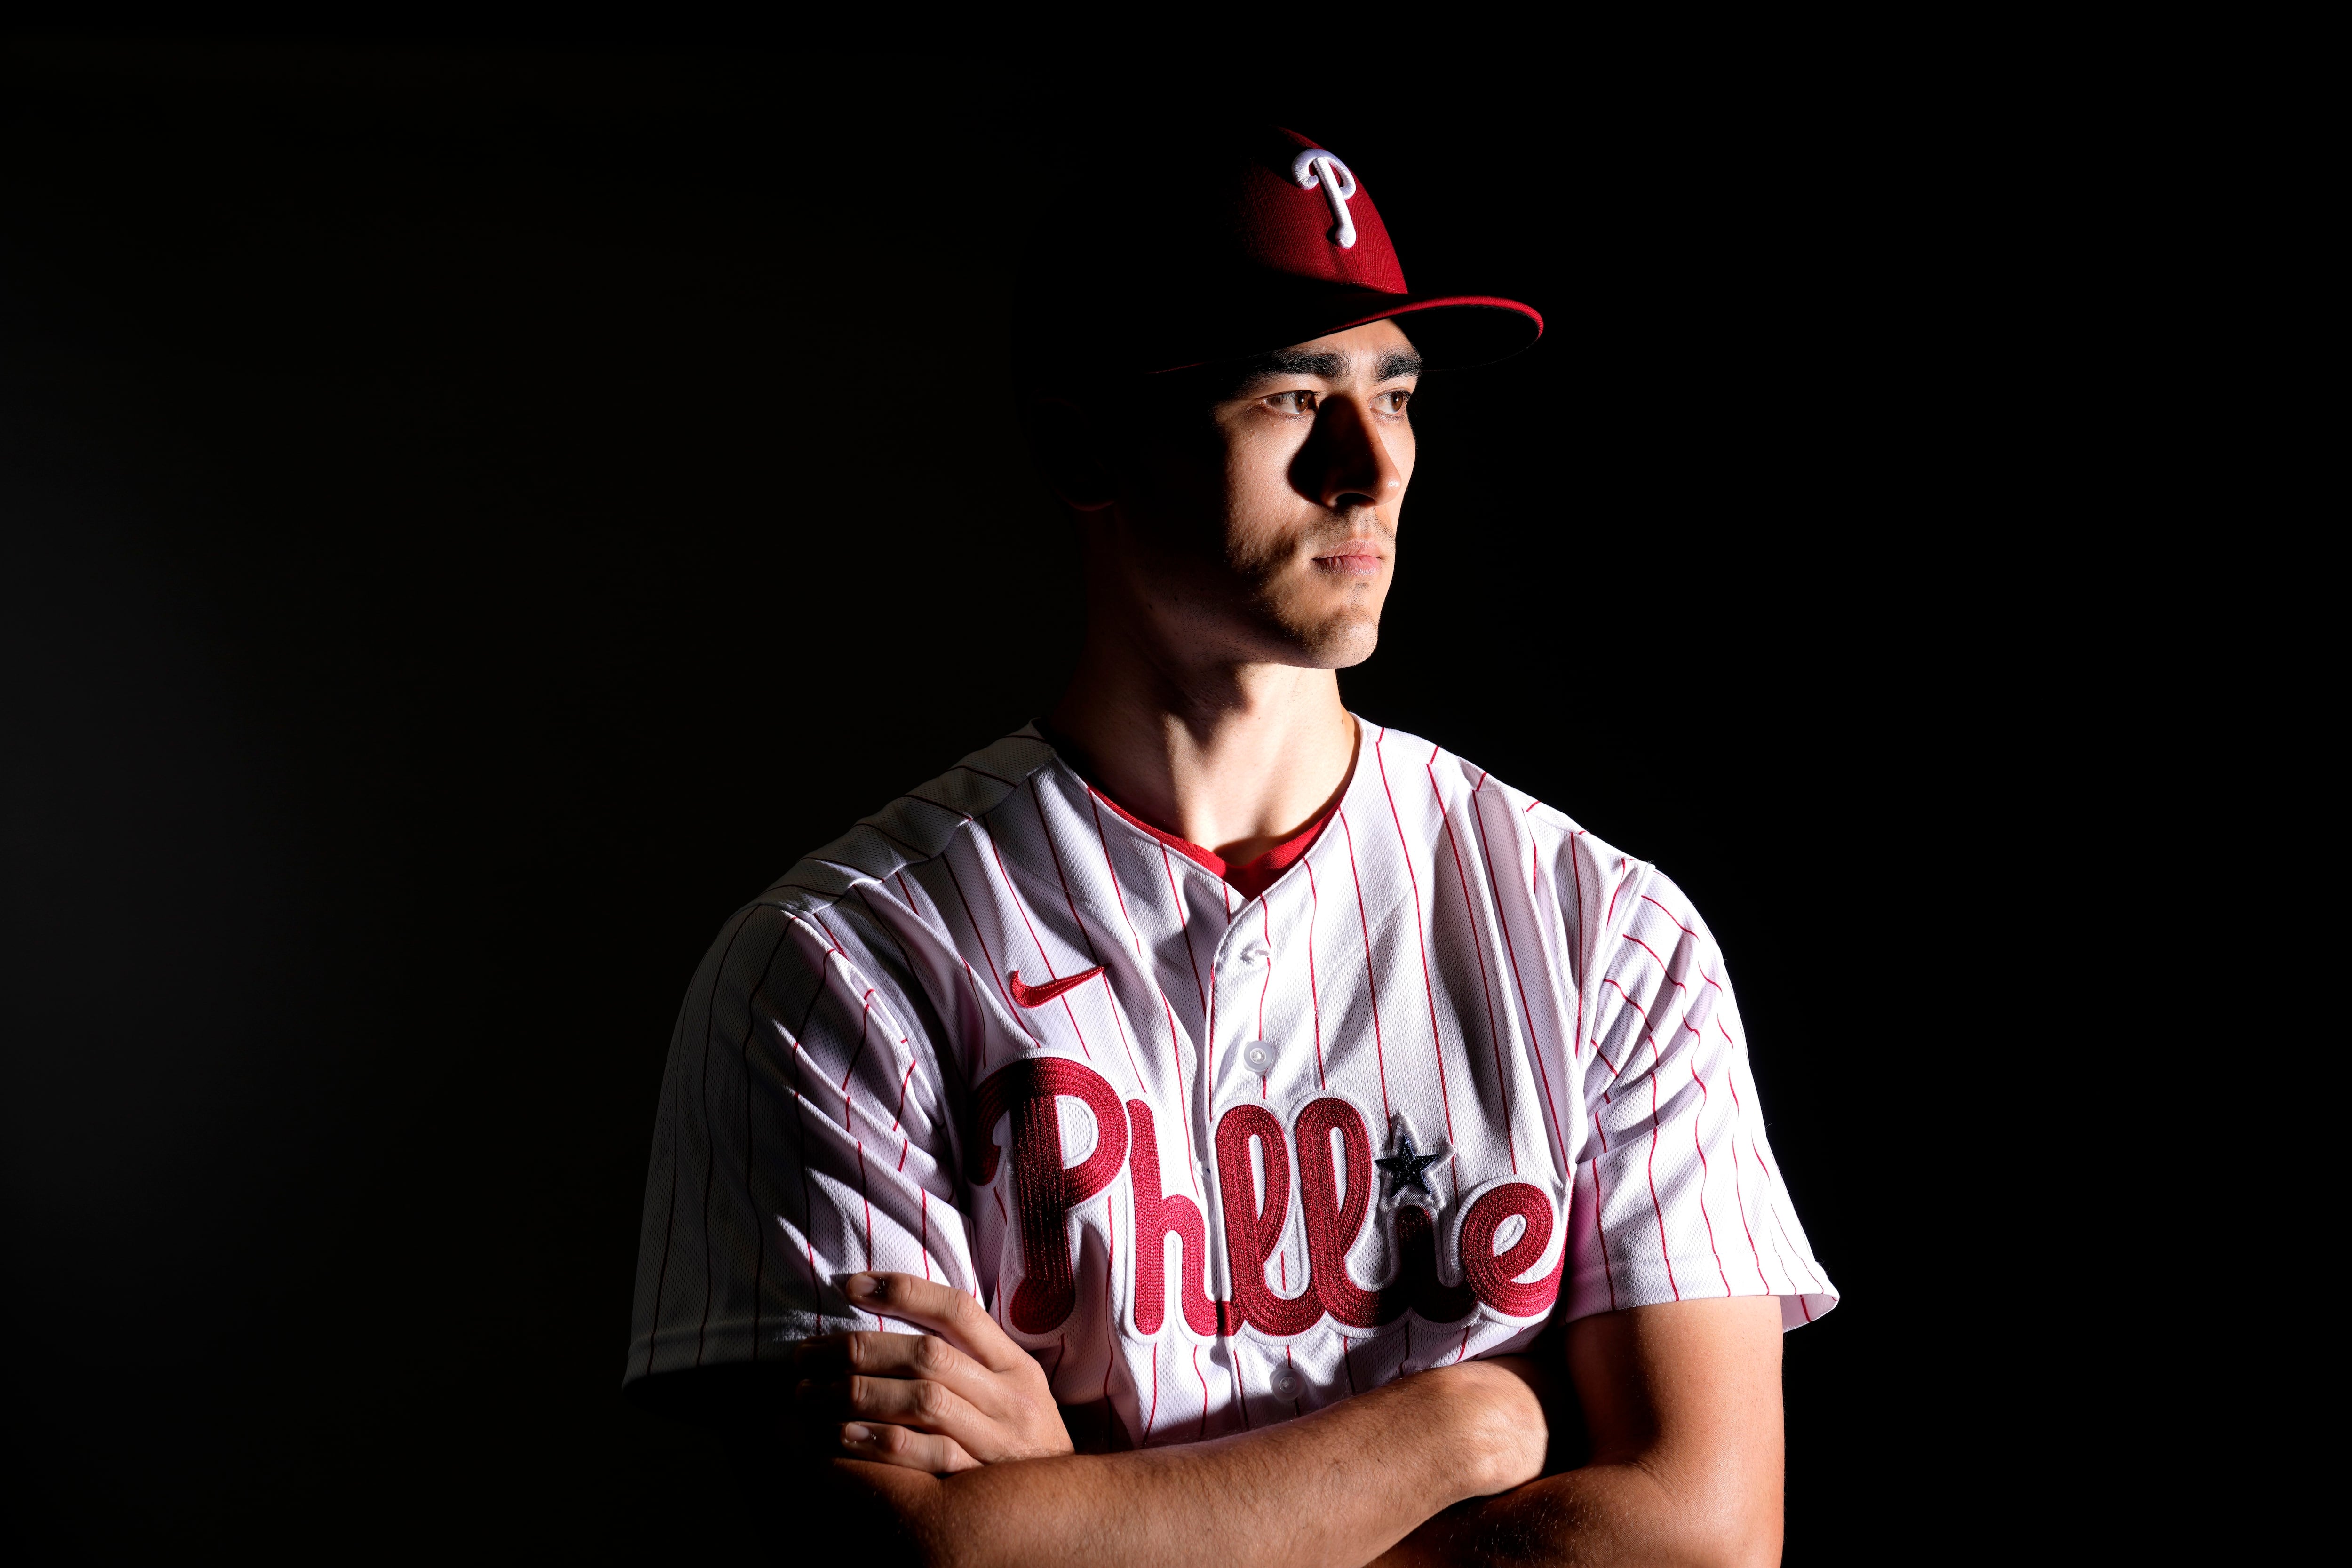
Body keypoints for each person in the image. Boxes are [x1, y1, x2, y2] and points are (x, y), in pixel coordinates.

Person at [624, 124, 1836, 1567]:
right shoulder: (840, 968)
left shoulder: (1606, 936)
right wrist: (1468, 1435)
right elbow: (913, 1559)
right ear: (1085, 445)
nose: (1368, 463)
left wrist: (1087, 1517)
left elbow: (1702, 1542)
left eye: (1396, 390)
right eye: (1288, 394)